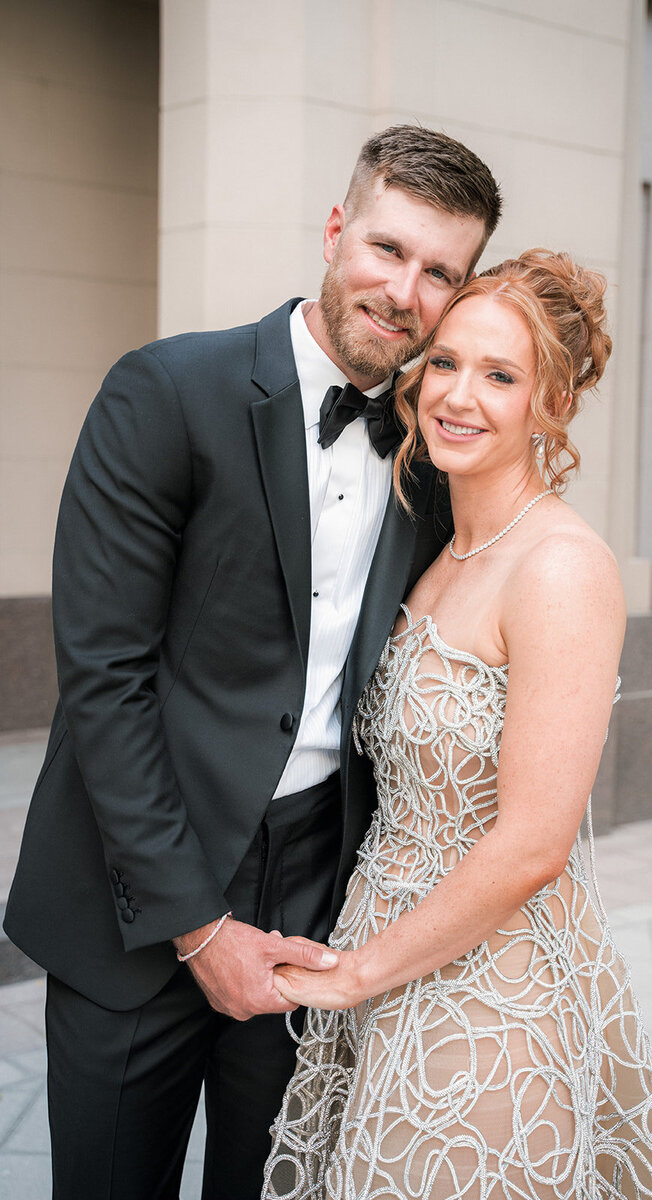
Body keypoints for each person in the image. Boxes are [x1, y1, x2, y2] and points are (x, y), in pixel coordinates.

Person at [3, 125, 502, 1199]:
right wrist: (196, 923)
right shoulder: (166, 391)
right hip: (134, 890)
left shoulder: (431, 451)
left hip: (318, 892)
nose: (403, 290)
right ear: (334, 232)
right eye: (385, 249)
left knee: (273, 1183)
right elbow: (104, 682)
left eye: (438, 273)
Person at [262, 250, 652, 1199]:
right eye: (447, 362)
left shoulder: (561, 569)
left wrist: (354, 976)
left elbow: (536, 843)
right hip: (392, 950)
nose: (458, 395)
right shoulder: (437, 550)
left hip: (491, 988)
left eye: (501, 375)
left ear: (553, 404)